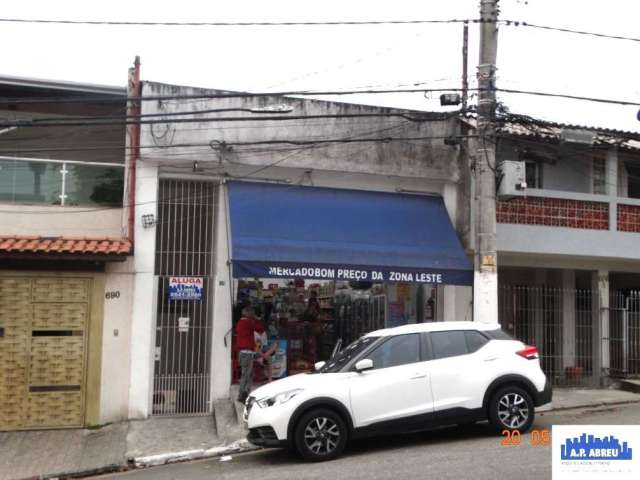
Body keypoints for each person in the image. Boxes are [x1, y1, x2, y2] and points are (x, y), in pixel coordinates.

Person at [236, 306, 264, 403]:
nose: (253, 314)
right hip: (247, 353)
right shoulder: (248, 322)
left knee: (248, 374)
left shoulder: (240, 322)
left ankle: (244, 394)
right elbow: (260, 328)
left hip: (242, 352)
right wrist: (256, 319)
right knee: (246, 375)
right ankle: (242, 395)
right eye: (251, 313)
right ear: (247, 313)